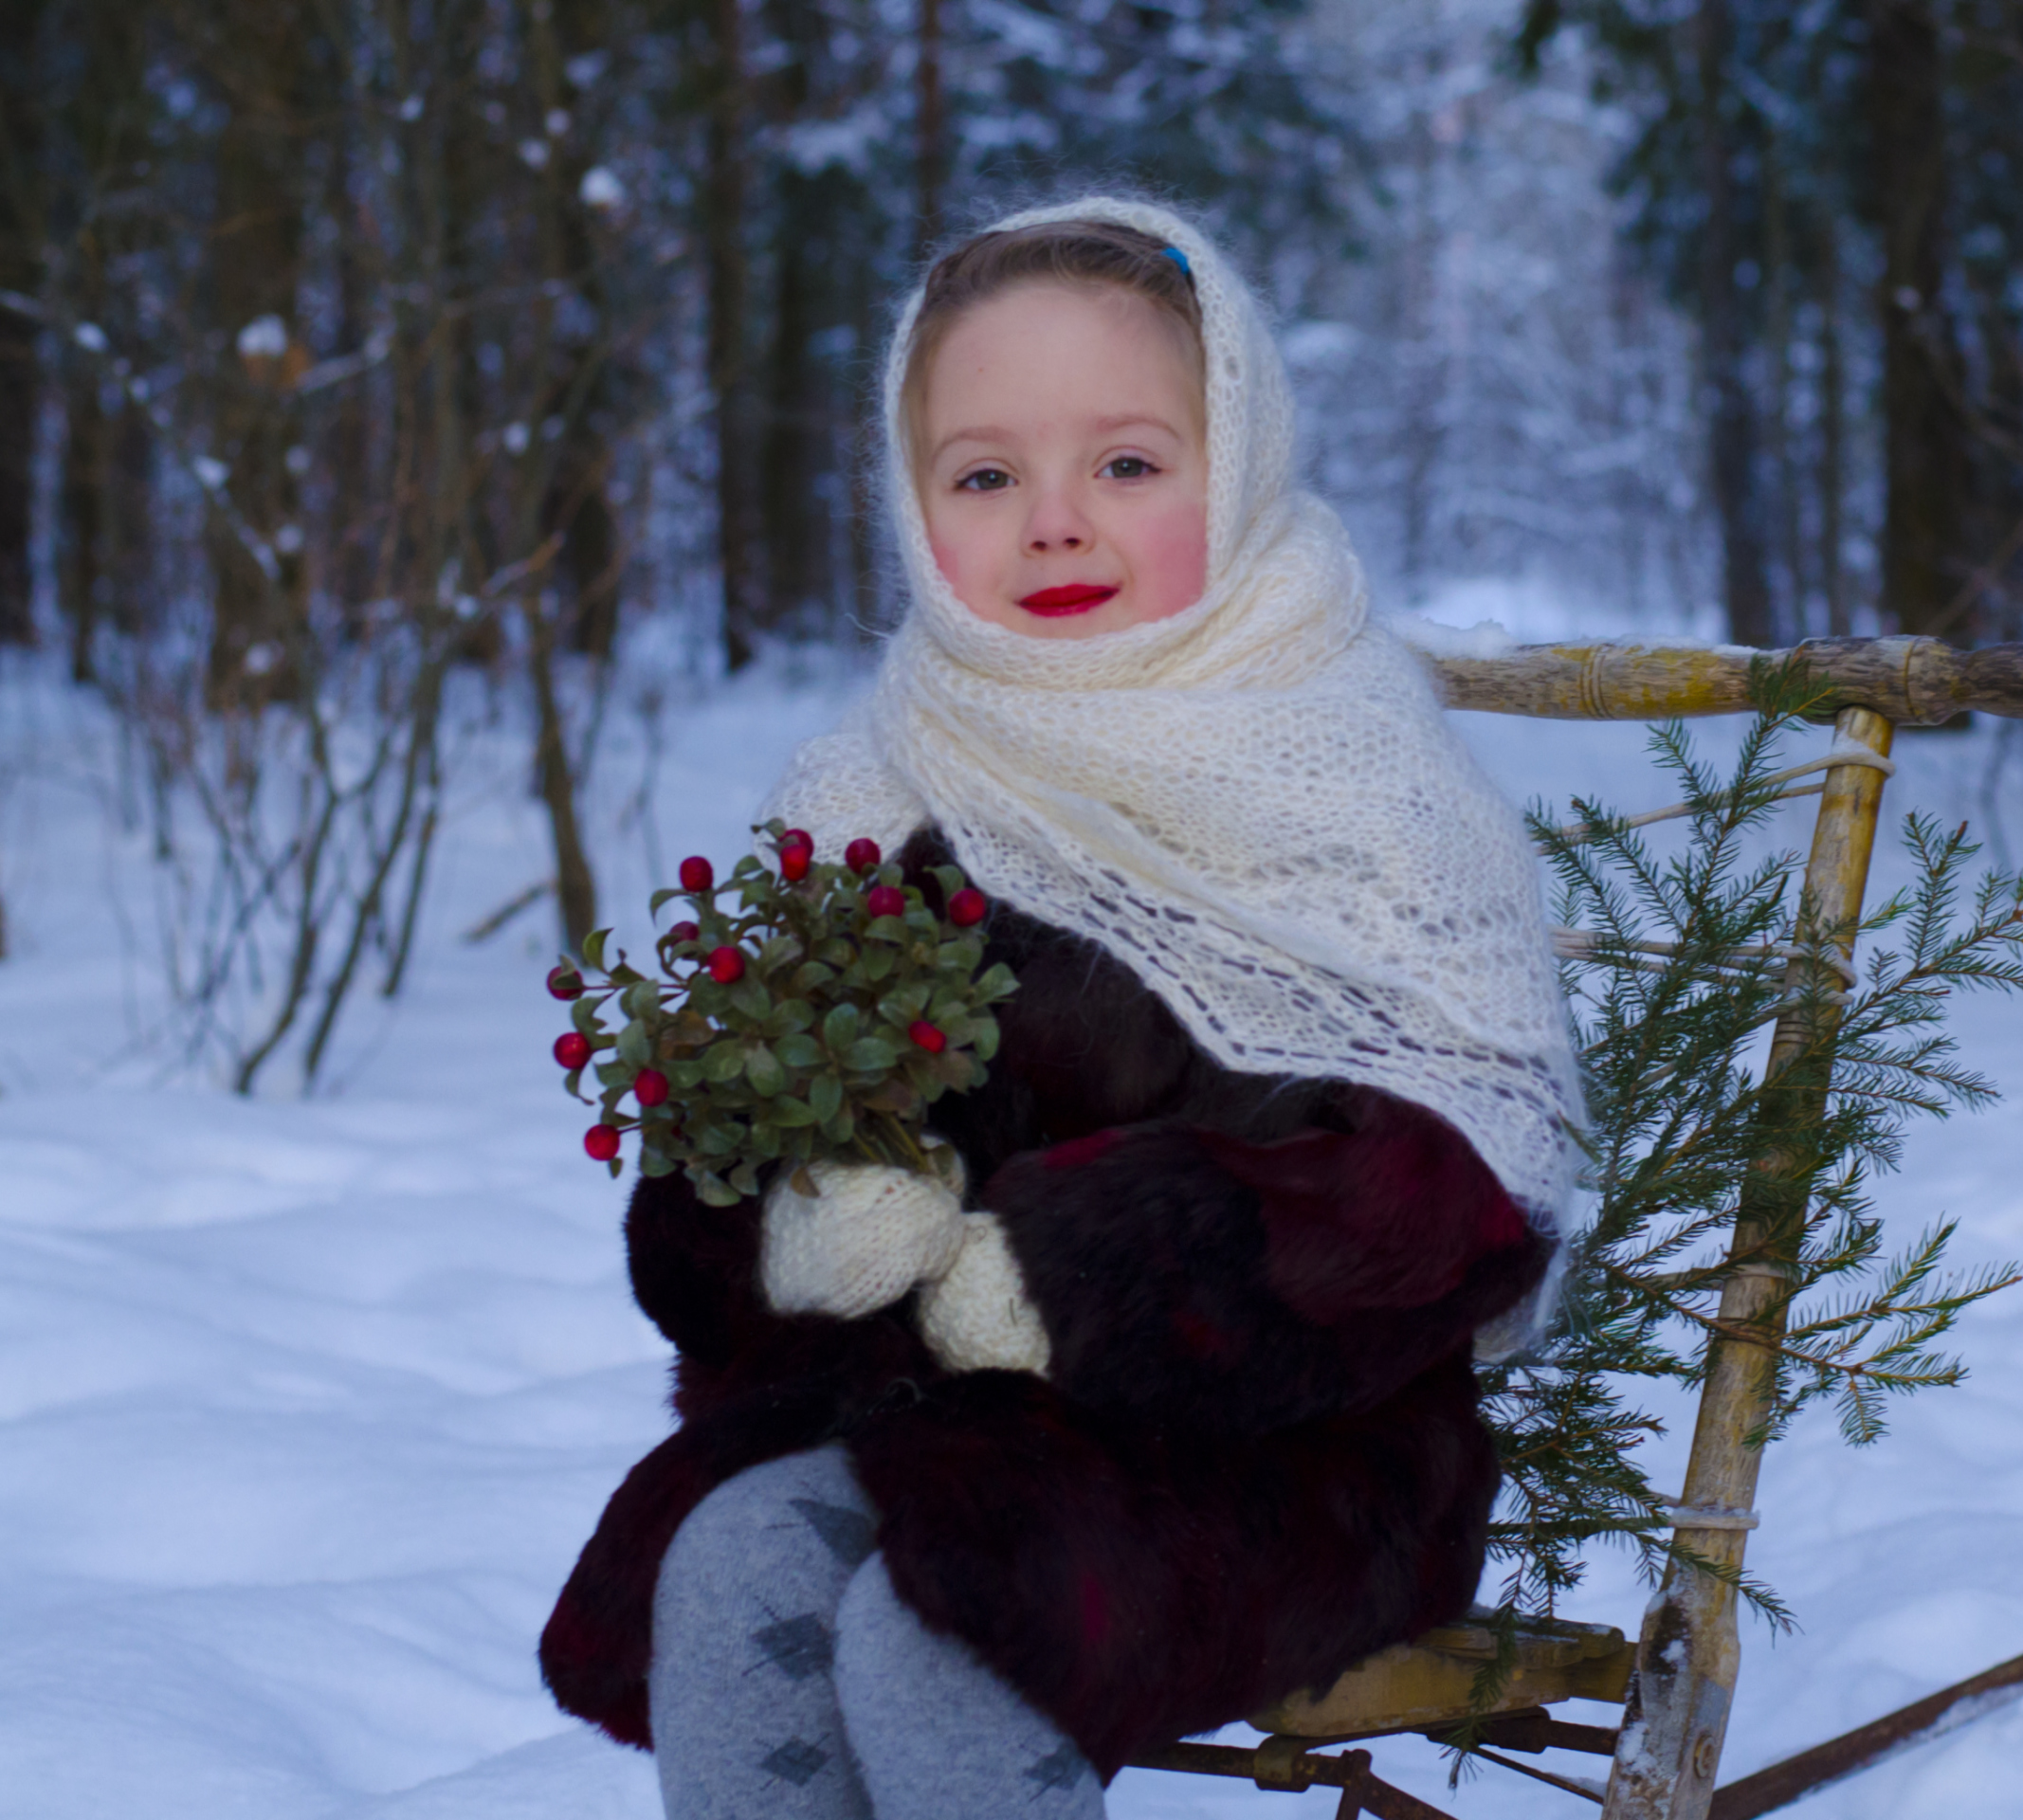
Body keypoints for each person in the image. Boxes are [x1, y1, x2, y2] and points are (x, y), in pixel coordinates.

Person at [538, 196, 1583, 1820]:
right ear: (913, 502)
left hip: (1291, 1448)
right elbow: (707, 1207)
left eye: (1128, 464)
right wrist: (793, 1225)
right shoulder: (873, 793)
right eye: (985, 474)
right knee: (735, 1562)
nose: (1054, 524)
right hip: (935, 1415)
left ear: (1233, 461)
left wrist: (1068, 1275)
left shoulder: (1363, 785)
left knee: (945, 1624)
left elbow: (1449, 1202)